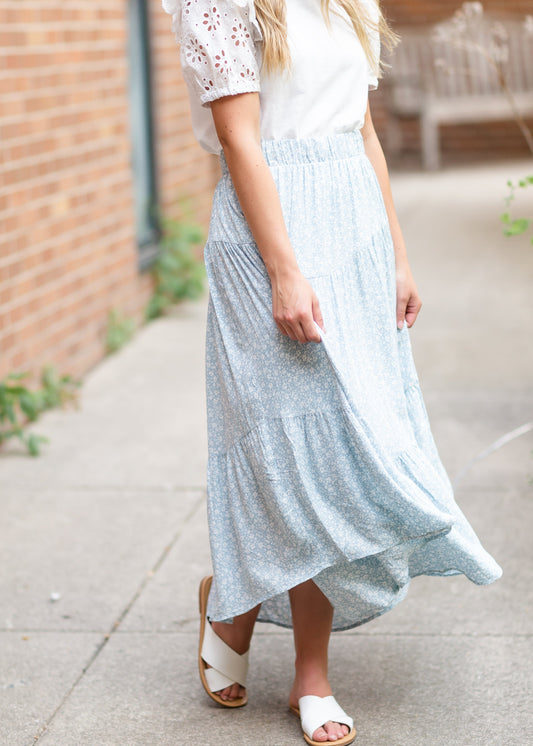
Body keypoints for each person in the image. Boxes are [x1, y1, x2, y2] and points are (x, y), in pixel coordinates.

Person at [162, 1, 503, 743]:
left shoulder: (348, 0)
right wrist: (285, 272)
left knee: (347, 450)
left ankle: (240, 608)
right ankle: (292, 659)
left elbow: (363, 132)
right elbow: (237, 138)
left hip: (352, 226)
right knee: (298, 453)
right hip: (268, 232)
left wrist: (397, 258)